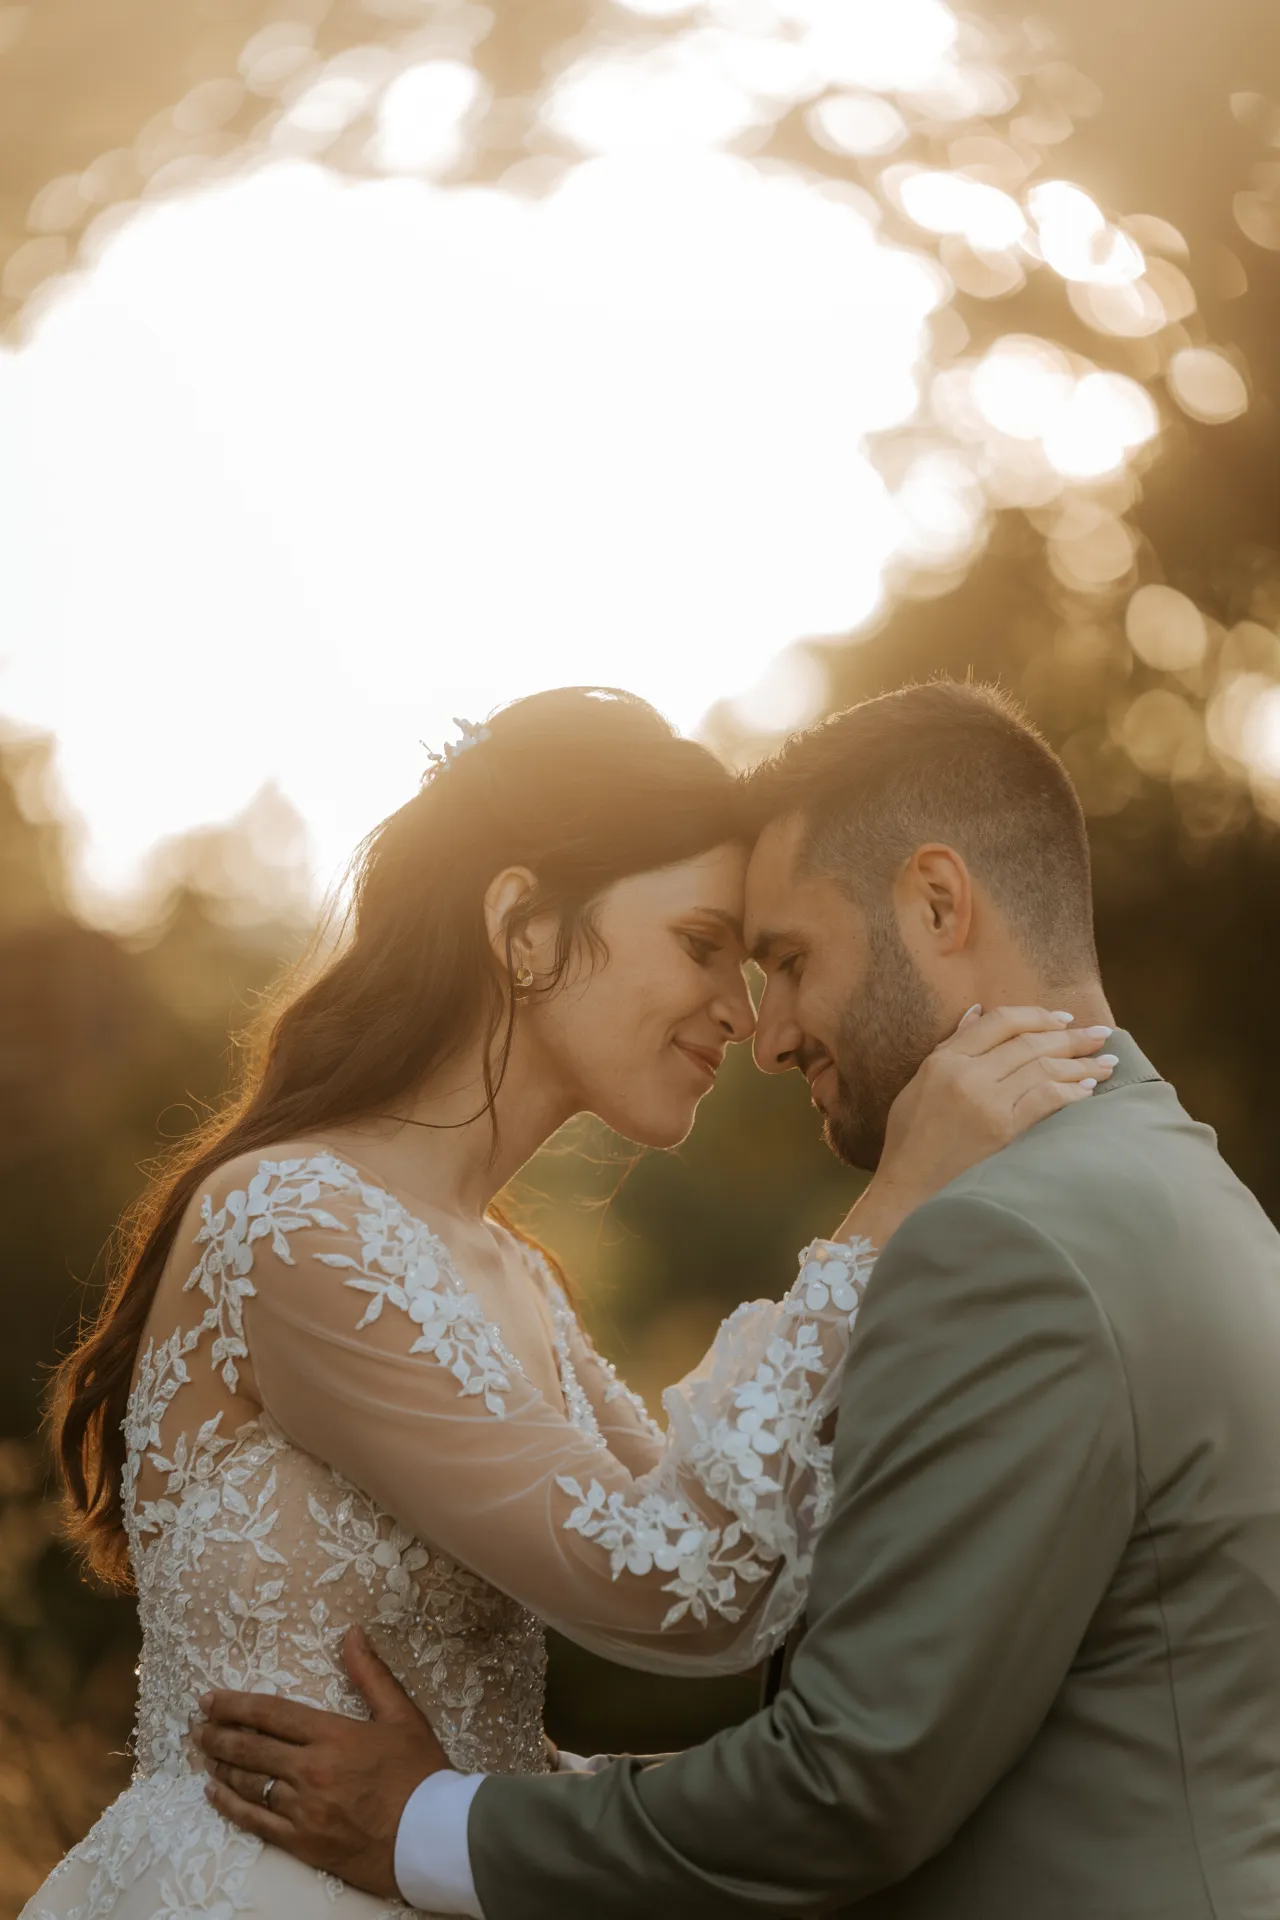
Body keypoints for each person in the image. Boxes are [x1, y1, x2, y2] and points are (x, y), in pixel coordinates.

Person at [197, 680, 1280, 1920]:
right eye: (709, 950)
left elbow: (843, 1778)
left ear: (936, 901)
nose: (762, 1034)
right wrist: (527, 1793)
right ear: (519, 927)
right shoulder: (1188, 1185)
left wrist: (435, 1823)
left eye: (779, 959)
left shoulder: (998, 1239)